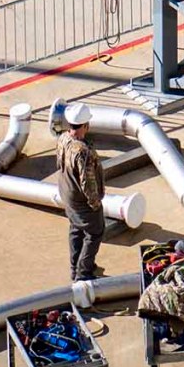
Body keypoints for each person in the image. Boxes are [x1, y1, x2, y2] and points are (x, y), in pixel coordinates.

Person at [55, 103, 108, 329]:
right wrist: (95, 203)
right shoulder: (82, 151)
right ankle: (84, 274)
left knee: (75, 229)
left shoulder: (63, 140)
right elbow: (88, 182)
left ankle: (74, 268)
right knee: (94, 232)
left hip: (67, 196)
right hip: (81, 200)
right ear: (85, 125)